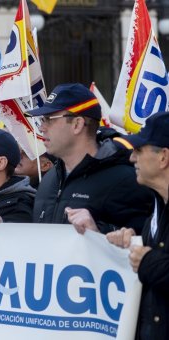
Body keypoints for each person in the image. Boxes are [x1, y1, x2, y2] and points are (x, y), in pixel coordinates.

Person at [26, 83, 152, 234]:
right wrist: (3, 230)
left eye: (49, 119)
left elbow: (146, 244)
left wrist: (98, 231)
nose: (41, 127)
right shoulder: (49, 179)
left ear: (77, 124)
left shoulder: (125, 180)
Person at [105, 112, 169, 340]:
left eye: (139, 150)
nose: (132, 158)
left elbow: (153, 262)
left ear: (163, 157)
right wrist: (133, 241)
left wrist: (148, 261)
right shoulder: (156, 207)